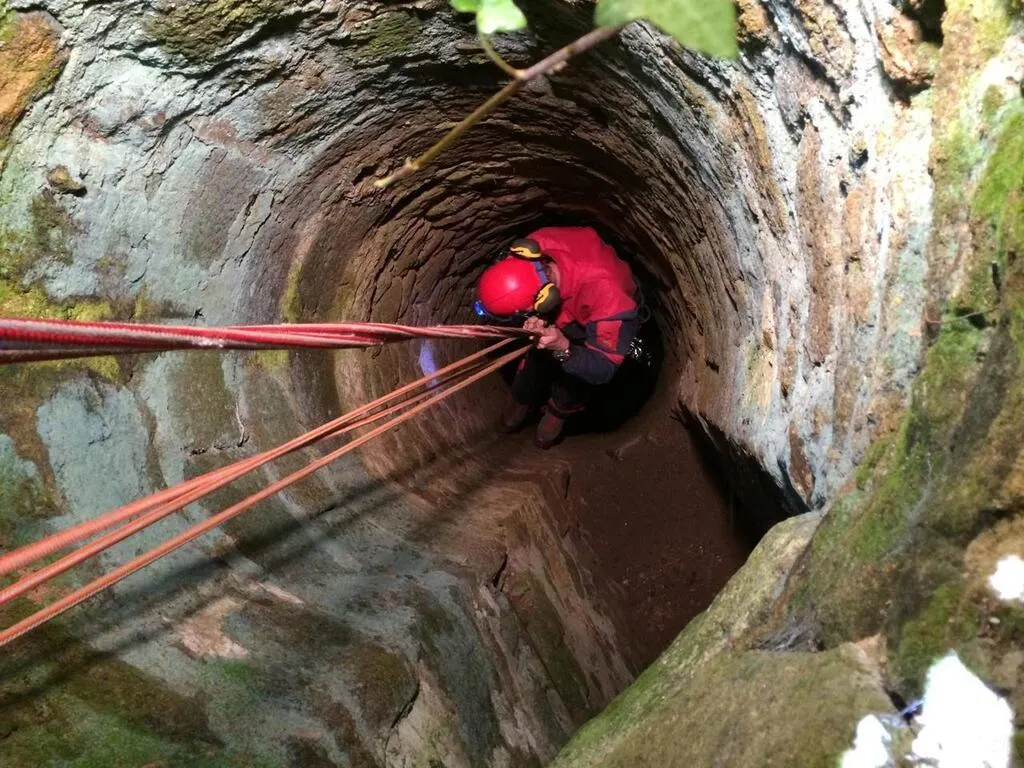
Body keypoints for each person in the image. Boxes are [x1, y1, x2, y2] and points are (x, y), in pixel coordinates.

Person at [473, 226, 641, 449]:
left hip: (592, 317)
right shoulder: (529, 248)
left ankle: (558, 411)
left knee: (576, 380)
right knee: (536, 354)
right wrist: (540, 321)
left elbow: (603, 368)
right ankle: (521, 399)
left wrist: (563, 346)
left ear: (543, 300)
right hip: (563, 310)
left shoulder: (610, 299)